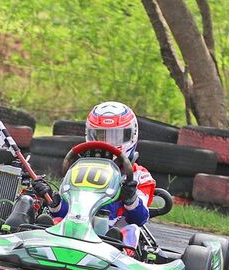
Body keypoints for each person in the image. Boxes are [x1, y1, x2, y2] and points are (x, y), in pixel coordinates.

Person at [33, 102, 156, 256]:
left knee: (132, 230)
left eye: (115, 136)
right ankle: (44, 238)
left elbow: (140, 218)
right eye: (100, 135)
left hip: (113, 236)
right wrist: (53, 200)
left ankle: (119, 253)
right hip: (76, 226)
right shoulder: (80, 168)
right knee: (54, 221)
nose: (107, 142)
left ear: (130, 136)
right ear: (89, 135)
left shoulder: (140, 176)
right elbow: (64, 212)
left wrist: (130, 198)